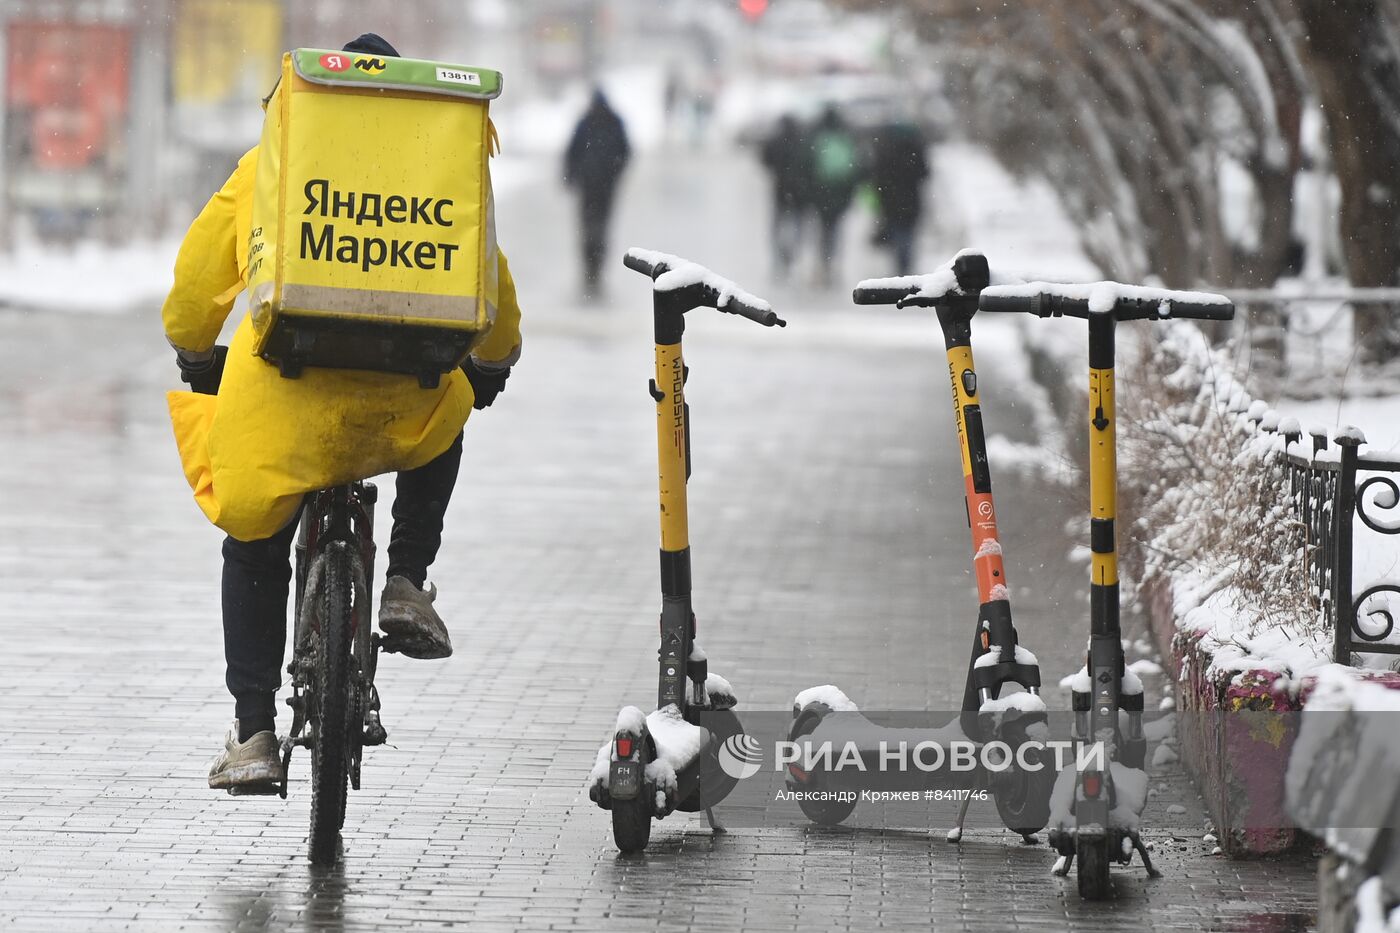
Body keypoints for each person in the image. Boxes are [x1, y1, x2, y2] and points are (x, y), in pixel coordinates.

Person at [161, 34, 524, 791]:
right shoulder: (442, 172)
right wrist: (490, 366)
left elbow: (200, 276)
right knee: (450, 413)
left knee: (254, 542)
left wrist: (195, 353)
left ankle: (256, 729)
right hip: (402, 403)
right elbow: (487, 277)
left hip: (287, 401)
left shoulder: (274, 164)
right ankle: (407, 579)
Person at [564, 89, 631, 297]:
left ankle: (591, 263)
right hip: (604, 185)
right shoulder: (614, 122)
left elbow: (572, 151)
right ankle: (596, 263)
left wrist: (571, 175)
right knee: (601, 224)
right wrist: (615, 172)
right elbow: (625, 151)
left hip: (590, 184)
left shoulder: (586, 122)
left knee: (589, 225)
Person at [807, 104, 862, 287]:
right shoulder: (844, 138)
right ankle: (833, 262)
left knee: (823, 229)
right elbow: (855, 169)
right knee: (836, 229)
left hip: (822, 194)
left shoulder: (818, 138)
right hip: (839, 193)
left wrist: (811, 191)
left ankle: (823, 263)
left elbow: (809, 168)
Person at [869, 119, 930, 276]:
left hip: (891, 203)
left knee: (898, 235)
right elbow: (925, 174)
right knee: (908, 236)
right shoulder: (915, 150)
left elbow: (877, 178)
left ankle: (901, 268)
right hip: (912, 202)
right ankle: (905, 268)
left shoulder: (885, 150)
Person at [759, 114, 811, 282]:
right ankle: (792, 255)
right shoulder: (803, 141)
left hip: (780, 191)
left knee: (777, 226)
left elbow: (765, 160)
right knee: (797, 226)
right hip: (800, 194)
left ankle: (778, 257)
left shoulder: (776, 140)